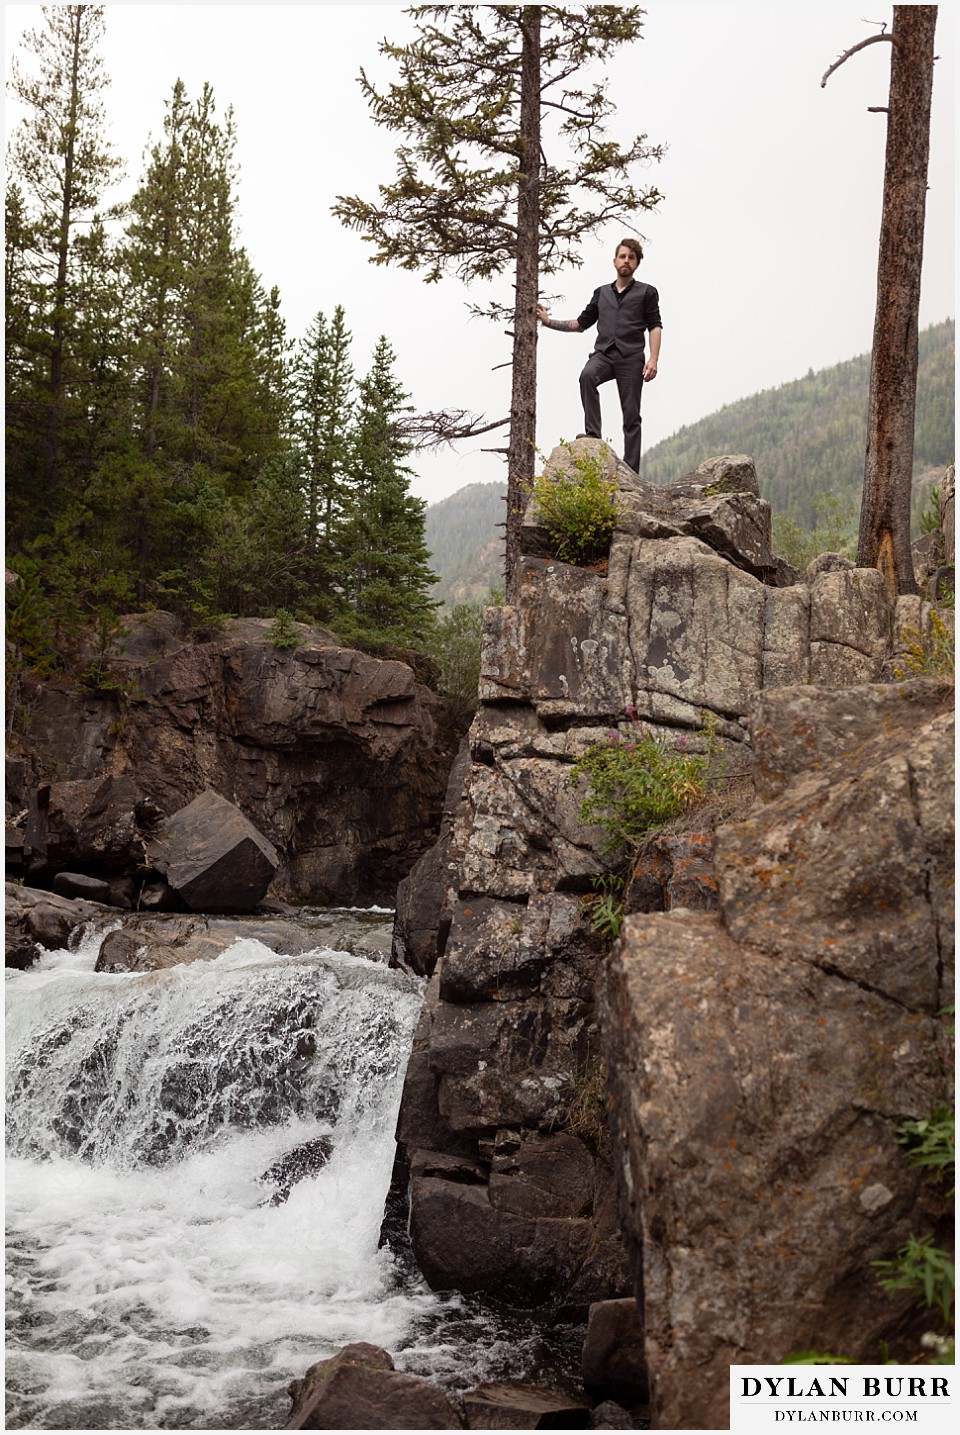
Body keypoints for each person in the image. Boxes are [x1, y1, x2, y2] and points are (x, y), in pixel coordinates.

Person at [536, 237, 662, 474]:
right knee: (587, 376)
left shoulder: (647, 292)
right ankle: (593, 435)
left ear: (636, 264)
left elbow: (655, 325)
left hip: (632, 358)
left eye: (631, 258)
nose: (626, 261)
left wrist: (653, 359)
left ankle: (631, 472)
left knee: (631, 415)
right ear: (615, 261)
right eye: (622, 256)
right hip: (603, 355)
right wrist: (547, 321)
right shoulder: (601, 293)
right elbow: (580, 324)